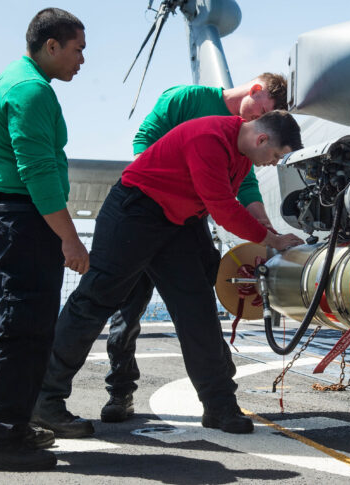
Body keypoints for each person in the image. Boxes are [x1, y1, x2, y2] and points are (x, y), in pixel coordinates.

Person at [32, 111, 304, 439]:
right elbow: (221, 207)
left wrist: (268, 234)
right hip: (135, 212)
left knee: (197, 310)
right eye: (274, 156)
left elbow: (224, 203)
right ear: (262, 139)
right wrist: (272, 240)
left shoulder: (242, 156)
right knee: (93, 302)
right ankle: (45, 398)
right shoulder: (210, 138)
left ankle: (218, 404)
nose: (270, 163)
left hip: (177, 222)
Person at [102, 74, 287, 424]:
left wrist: (269, 234)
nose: (258, 121)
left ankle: (219, 395)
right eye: (262, 110)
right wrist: (153, 200)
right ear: (255, 90)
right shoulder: (185, 99)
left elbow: (246, 190)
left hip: (188, 222)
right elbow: (144, 140)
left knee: (200, 304)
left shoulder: (247, 137)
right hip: (147, 216)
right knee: (128, 309)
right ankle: (120, 390)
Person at [0, 8, 88, 471]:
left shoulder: (13, 78)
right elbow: (38, 173)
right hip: (21, 220)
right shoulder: (31, 91)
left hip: (4, 218)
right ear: (52, 46)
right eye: (77, 49)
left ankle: (13, 425)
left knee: (22, 327)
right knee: (22, 331)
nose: (82, 60)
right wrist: (71, 240)